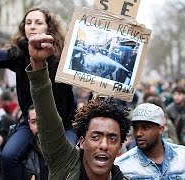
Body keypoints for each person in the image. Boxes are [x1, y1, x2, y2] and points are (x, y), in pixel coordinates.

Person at [0, 3, 77, 178]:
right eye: (28, 22)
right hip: (30, 123)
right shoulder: (19, 54)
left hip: (65, 124)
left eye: (38, 22)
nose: (32, 26)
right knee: (8, 156)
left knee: (69, 161)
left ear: (49, 27)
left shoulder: (65, 55)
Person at [25, 34, 130, 179]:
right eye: (95, 136)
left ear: (119, 147)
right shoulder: (65, 164)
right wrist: (38, 66)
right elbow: (48, 121)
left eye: (112, 139)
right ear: (81, 142)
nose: (104, 145)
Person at [115, 103, 185, 179]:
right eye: (135, 128)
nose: (138, 133)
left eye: (145, 128)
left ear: (160, 129)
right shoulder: (122, 166)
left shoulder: (182, 157)